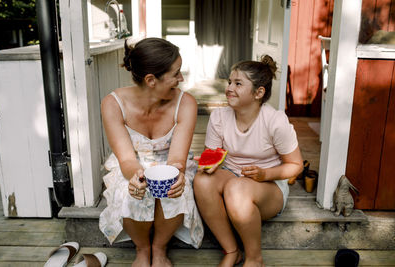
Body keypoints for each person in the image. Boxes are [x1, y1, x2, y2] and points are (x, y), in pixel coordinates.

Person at [99, 37, 204, 267]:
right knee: (132, 191)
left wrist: (176, 172)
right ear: (151, 80)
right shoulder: (113, 103)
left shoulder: (186, 103)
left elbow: (177, 158)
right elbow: (126, 158)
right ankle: (142, 248)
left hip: (170, 161)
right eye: (176, 73)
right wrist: (136, 176)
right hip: (131, 163)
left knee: (175, 188)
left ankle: (159, 248)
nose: (182, 78)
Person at [194, 55, 303, 267]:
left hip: (268, 186)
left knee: (237, 188)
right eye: (229, 82)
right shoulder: (219, 117)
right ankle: (232, 250)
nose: (229, 88)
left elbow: (296, 165)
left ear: (259, 93)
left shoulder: (275, 121)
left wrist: (265, 174)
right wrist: (209, 162)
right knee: (202, 180)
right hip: (233, 178)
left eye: (238, 83)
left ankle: (254, 258)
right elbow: (212, 155)